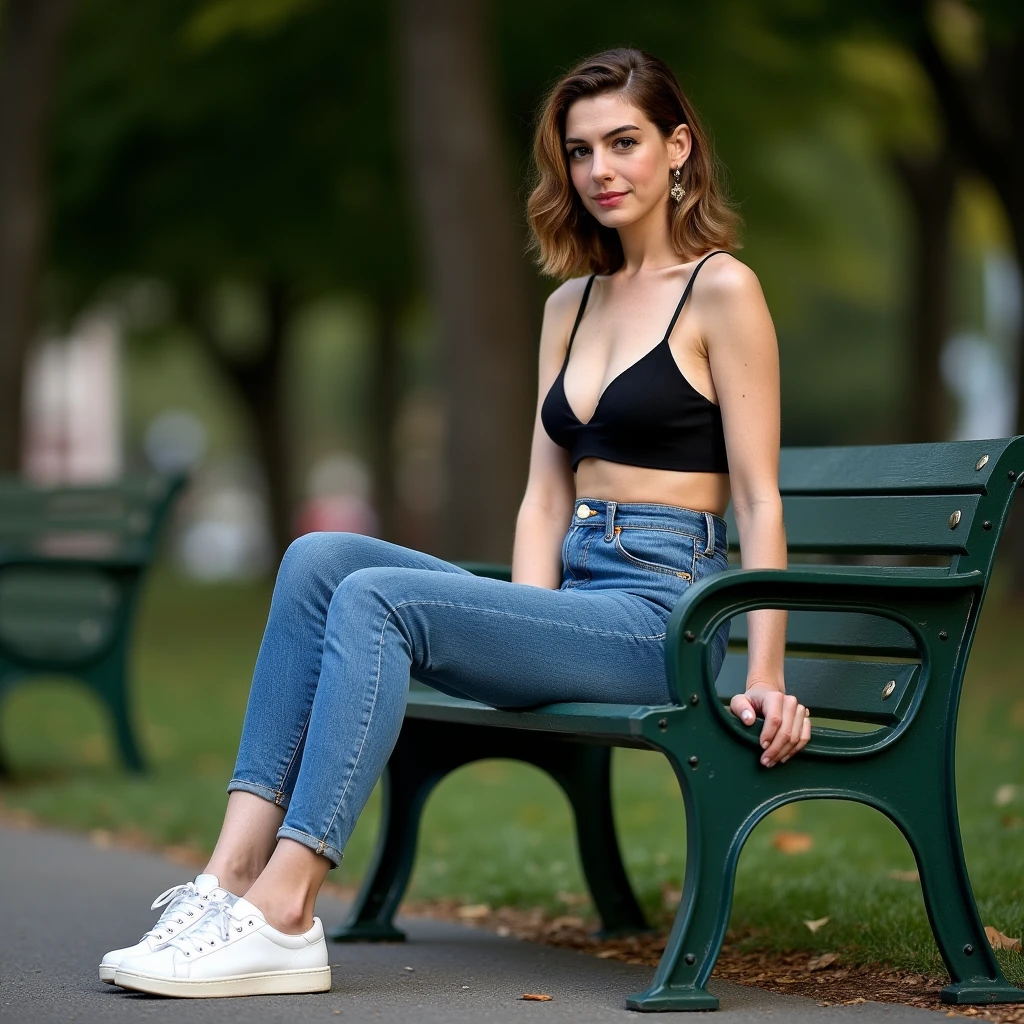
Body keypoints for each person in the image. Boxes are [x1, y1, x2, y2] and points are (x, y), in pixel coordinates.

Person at [100, 46, 810, 998]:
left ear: (678, 148)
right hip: (575, 598)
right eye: (581, 151)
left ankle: (286, 909)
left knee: (380, 602)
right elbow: (544, 495)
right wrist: (521, 638)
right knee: (320, 559)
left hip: (663, 616)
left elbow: (760, 497)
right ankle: (227, 880)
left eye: (625, 143)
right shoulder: (571, 303)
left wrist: (765, 674)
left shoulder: (723, 290)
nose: (600, 170)